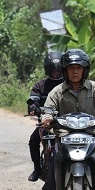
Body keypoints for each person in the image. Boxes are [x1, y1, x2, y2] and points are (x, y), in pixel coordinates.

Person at [40, 49, 95, 190]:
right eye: (71, 68)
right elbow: (48, 109)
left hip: (91, 136)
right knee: (54, 158)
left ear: (85, 70)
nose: (75, 71)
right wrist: (46, 119)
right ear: (65, 70)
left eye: (79, 68)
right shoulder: (57, 91)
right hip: (65, 136)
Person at [27, 51, 64, 182]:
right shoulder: (40, 85)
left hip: (65, 123)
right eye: (53, 70)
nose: (56, 73)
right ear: (48, 70)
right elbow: (33, 99)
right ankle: (37, 168)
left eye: (58, 70)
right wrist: (33, 108)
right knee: (33, 141)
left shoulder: (67, 85)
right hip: (46, 123)